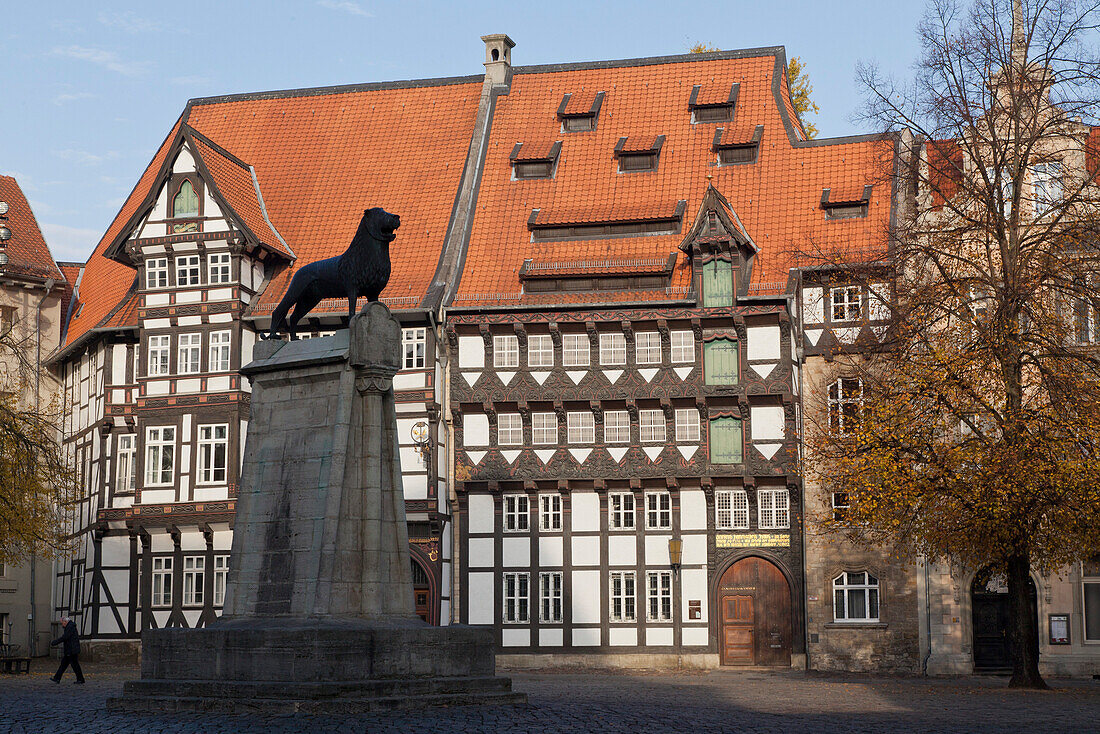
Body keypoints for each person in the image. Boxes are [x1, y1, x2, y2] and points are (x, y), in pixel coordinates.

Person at [50, 616, 84, 684]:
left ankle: (80, 679)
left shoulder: (70, 627)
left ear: (65, 622)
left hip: (71, 650)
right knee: (64, 665)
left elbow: (65, 637)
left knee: (74, 665)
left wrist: (55, 642)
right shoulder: (70, 627)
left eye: (62, 623)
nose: (62, 625)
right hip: (71, 650)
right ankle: (57, 678)